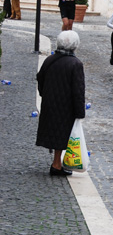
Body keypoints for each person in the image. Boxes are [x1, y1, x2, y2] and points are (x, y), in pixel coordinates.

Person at [36, 31, 85, 176]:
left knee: (56, 133)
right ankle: (56, 165)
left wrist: (44, 94)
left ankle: (57, 163)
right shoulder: (76, 64)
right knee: (63, 134)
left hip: (50, 101)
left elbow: (40, 78)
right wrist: (80, 112)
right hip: (65, 105)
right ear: (75, 45)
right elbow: (78, 90)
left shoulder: (50, 59)